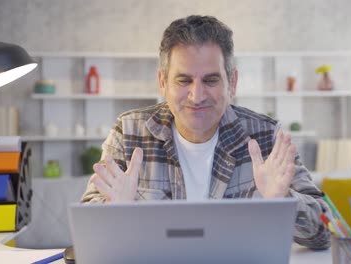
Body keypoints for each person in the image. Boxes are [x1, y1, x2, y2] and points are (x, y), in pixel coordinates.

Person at [81, 15, 331, 250]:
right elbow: (85, 231)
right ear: (162, 82)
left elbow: (326, 232)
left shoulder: (265, 137)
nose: (197, 96)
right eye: (183, 80)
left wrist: (282, 201)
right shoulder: (128, 133)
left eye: (211, 80)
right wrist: (116, 211)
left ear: (232, 82)